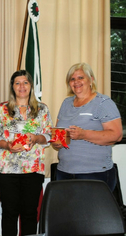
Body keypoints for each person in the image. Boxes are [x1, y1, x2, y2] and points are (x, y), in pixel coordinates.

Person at [0, 70, 53, 236]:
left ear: (31, 85)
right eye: (17, 83)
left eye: (25, 82)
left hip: (33, 169)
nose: (21, 86)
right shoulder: (2, 108)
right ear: (12, 87)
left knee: (30, 214)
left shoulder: (42, 109)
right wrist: (7, 145)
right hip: (7, 170)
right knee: (9, 214)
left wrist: (37, 138)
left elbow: (49, 136)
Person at [51, 63, 122, 191]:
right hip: (64, 172)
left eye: (81, 78)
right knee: (67, 212)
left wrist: (83, 134)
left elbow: (116, 135)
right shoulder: (66, 103)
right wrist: (57, 143)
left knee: (90, 212)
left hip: (94, 174)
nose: (76, 82)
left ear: (91, 80)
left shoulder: (103, 102)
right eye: (72, 79)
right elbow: (60, 134)